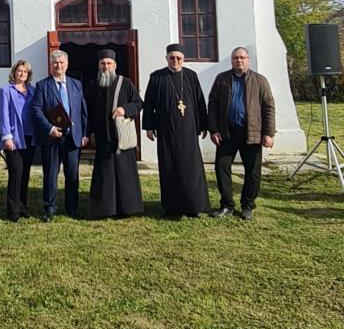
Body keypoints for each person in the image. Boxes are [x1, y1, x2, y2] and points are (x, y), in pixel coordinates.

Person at [207, 47, 276, 221]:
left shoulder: (260, 81)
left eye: (242, 58)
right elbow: (212, 105)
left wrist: (268, 133)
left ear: (248, 60)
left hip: (251, 133)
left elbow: (269, 107)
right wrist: (214, 129)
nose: (239, 61)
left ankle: (247, 206)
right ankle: (227, 205)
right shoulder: (222, 79)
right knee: (222, 168)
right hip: (227, 134)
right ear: (231, 60)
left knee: (253, 172)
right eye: (236, 58)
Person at [142, 43, 210, 218]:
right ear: (167, 59)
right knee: (169, 167)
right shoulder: (157, 77)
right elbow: (149, 104)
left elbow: (200, 101)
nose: (175, 61)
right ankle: (171, 207)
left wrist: (203, 124)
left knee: (191, 168)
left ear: (183, 59)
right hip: (166, 131)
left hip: (189, 131)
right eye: (172, 58)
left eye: (178, 58)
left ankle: (193, 205)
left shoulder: (191, 76)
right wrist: (149, 127)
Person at [85, 49, 144, 219]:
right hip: (103, 139)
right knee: (105, 176)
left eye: (109, 64)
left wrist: (124, 109)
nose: (106, 67)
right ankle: (105, 209)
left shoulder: (125, 83)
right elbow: (87, 111)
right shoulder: (93, 86)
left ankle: (127, 209)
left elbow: (138, 103)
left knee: (124, 174)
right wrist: (91, 132)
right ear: (99, 66)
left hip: (121, 139)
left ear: (115, 65)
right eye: (103, 64)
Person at [31, 49, 88, 221]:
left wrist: (84, 133)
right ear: (50, 65)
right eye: (55, 63)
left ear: (67, 64)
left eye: (62, 62)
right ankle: (49, 208)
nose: (59, 66)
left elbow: (83, 111)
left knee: (72, 174)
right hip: (51, 137)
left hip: (72, 137)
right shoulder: (42, 86)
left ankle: (72, 207)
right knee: (50, 174)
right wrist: (50, 129)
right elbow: (36, 110)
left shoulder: (76, 84)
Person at [0, 60, 36, 222]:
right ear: (14, 73)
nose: (22, 74)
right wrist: (7, 136)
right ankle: (13, 209)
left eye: (25, 72)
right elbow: (3, 115)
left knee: (25, 173)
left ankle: (22, 206)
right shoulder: (6, 91)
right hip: (14, 138)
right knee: (16, 173)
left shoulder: (33, 91)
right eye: (19, 71)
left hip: (30, 136)